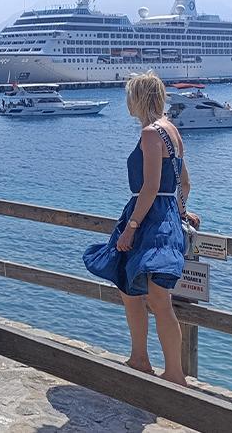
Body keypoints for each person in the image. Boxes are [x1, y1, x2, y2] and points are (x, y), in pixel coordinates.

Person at [83, 72, 201, 386]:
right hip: (165, 217)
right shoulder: (171, 130)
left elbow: (149, 187)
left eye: (129, 96)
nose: (127, 103)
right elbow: (184, 183)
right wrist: (181, 211)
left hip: (147, 220)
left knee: (156, 298)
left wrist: (131, 228)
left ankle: (172, 373)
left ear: (137, 98)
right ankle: (142, 360)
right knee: (131, 290)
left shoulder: (150, 134)